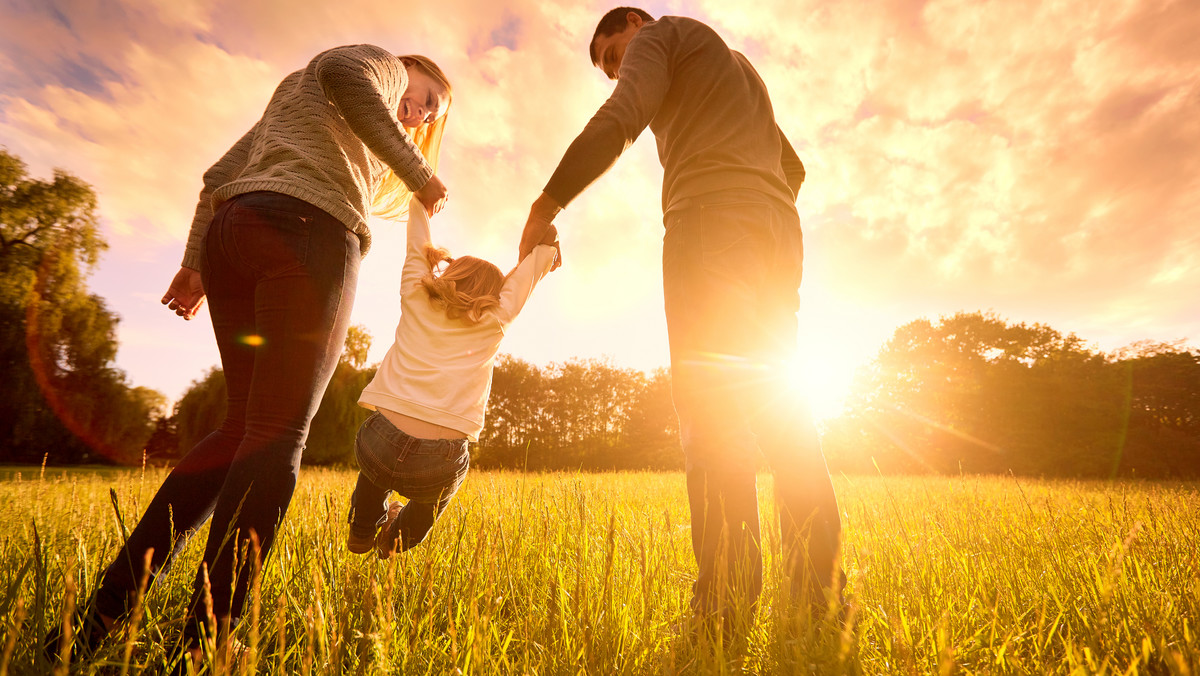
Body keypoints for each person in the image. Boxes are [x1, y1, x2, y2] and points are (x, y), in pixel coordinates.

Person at [47, 45, 453, 665]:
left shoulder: (301, 104)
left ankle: (100, 616)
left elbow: (217, 177)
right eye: (425, 97)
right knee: (279, 434)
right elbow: (347, 73)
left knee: (241, 428)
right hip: (309, 232)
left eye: (430, 116)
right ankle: (204, 645)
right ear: (406, 68)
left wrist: (193, 263)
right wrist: (418, 171)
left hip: (233, 235)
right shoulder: (376, 64)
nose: (419, 114)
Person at [518, 8, 844, 630]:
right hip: (777, 231)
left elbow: (622, 118)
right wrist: (754, 203)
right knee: (784, 412)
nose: (618, 71)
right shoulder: (737, 67)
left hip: (709, 223)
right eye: (610, 67)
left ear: (637, 24)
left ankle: (724, 604)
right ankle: (819, 598)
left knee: (712, 410)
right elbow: (793, 167)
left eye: (617, 55)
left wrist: (546, 202)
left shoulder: (662, 36)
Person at [345, 194, 558, 558]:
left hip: (379, 440)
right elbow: (530, 271)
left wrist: (421, 201)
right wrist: (546, 247)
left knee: (376, 471)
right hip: (438, 461)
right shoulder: (496, 318)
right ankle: (395, 541)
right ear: (495, 294)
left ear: (449, 273)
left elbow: (417, 244)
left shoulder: (415, 294)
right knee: (431, 502)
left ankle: (362, 529)